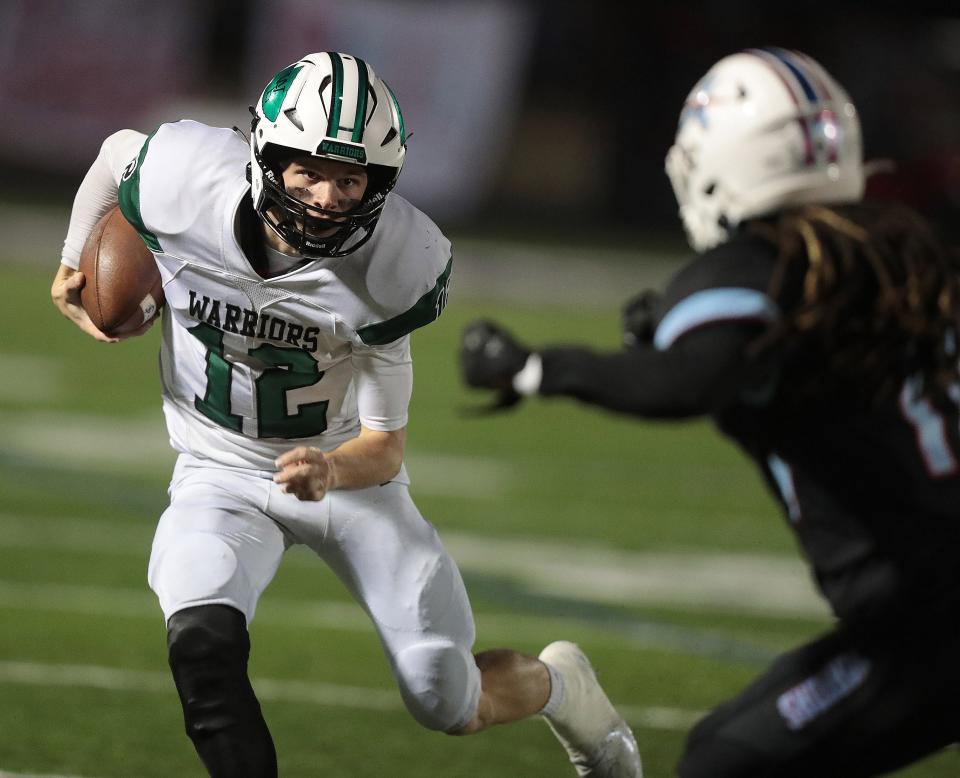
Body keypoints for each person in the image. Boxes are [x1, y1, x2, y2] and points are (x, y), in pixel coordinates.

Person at [50, 52, 642, 778]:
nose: (329, 196)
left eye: (351, 178)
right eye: (309, 171)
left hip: (347, 484)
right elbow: (117, 155)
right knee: (202, 652)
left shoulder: (395, 266)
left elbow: (385, 447)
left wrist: (331, 468)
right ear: (265, 156)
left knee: (443, 696)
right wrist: (73, 255)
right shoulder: (185, 177)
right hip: (218, 470)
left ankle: (562, 687)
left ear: (379, 184)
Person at [460, 47, 960, 778]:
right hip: (931, 605)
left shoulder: (754, 269)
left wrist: (538, 367)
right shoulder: (901, 250)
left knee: (725, 761)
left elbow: (688, 381)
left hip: (928, 619)